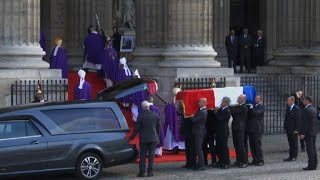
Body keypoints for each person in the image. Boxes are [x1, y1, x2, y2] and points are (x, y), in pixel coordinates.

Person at [130, 101, 160, 177]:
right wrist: (158, 138)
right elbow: (158, 128)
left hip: (143, 139)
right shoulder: (155, 115)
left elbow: (137, 128)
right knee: (151, 156)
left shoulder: (140, 115)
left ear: (142, 107)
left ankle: (142, 172)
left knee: (142, 156)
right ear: (148, 106)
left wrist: (132, 136)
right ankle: (150, 172)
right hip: (153, 138)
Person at [230, 94, 248, 168]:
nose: (238, 99)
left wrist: (229, 105)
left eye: (240, 98)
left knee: (241, 145)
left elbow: (235, 112)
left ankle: (244, 161)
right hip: (235, 127)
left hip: (240, 128)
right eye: (238, 98)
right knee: (236, 145)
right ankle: (239, 160)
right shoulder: (238, 106)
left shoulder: (244, 107)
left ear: (244, 99)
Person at [300, 96, 318, 170]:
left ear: (307, 101)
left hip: (308, 133)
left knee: (310, 150)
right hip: (313, 132)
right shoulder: (314, 109)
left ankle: (311, 166)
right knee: (314, 149)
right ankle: (315, 164)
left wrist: (303, 133)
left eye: (304, 100)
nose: (303, 102)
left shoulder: (307, 110)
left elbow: (305, 123)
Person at [190, 98, 208, 171]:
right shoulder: (201, 111)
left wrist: (190, 115)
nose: (198, 103)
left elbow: (195, 120)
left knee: (199, 149)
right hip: (198, 131)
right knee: (197, 148)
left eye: (200, 102)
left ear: (204, 103)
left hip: (199, 131)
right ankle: (199, 164)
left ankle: (201, 165)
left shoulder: (203, 112)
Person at [247, 95, 265, 166]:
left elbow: (256, 114)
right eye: (255, 98)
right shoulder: (254, 106)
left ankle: (260, 160)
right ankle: (255, 159)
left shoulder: (261, 106)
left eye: (257, 98)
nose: (255, 99)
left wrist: (251, 108)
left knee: (257, 145)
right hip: (251, 128)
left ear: (260, 100)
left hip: (257, 128)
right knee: (252, 145)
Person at [214, 97, 231, 169]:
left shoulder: (227, 111)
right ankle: (220, 160)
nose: (222, 103)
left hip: (223, 131)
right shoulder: (221, 109)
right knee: (218, 147)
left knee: (224, 148)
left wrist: (216, 112)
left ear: (226, 103)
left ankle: (226, 162)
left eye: (223, 102)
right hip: (218, 131)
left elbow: (220, 119)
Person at [283, 96, 301, 162]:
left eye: (288, 100)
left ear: (292, 101)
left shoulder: (296, 109)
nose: (287, 102)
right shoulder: (288, 108)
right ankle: (290, 156)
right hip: (289, 129)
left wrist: (297, 129)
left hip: (294, 129)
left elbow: (298, 120)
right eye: (287, 100)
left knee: (294, 143)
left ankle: (294, 156)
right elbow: (286, 118)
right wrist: (285, 127)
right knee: (290, 143)